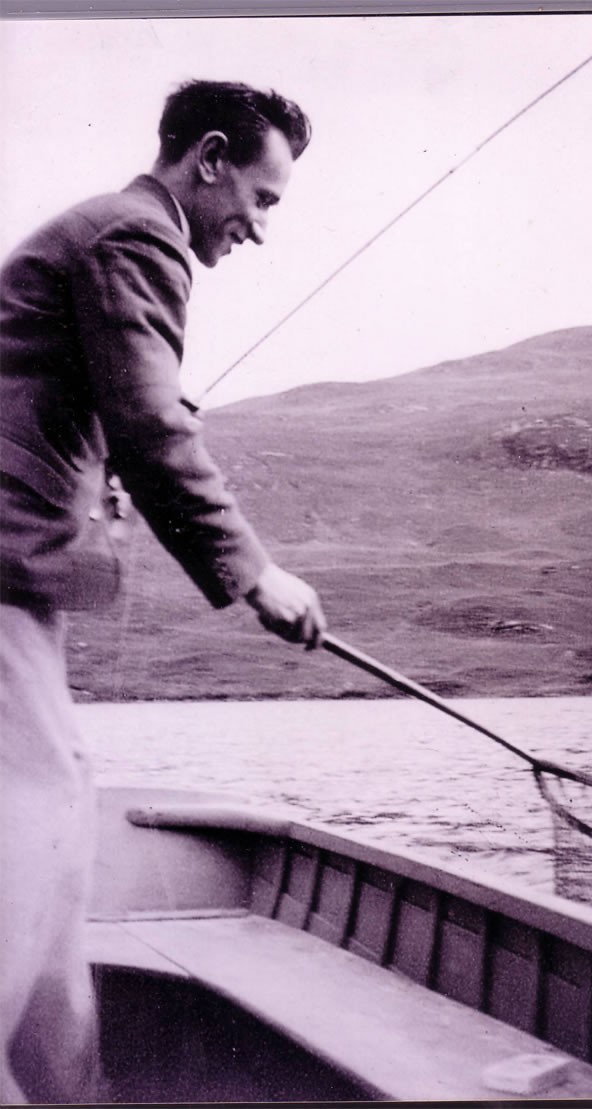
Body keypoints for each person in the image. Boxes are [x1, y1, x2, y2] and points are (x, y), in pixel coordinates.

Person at [0, 79, 327, 1103]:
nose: (260, 229)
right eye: (264, 199)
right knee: (36, 813)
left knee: (56, 819)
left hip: (20, 587)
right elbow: (152, 429)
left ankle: (72, 1088)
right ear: (212, 156)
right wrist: (255, 573)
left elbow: (107, 415)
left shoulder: (108, 239)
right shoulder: (134, 240)